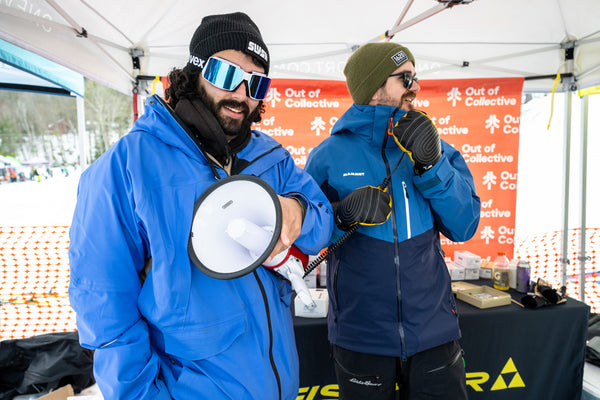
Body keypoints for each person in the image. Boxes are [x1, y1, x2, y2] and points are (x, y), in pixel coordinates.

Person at [68, 12, 333, 400]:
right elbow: (104, 308)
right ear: (193, 73)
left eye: (256, 83)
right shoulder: (127, 166)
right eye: (227, 75)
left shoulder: (269, 158)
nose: (242, 94)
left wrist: (294, 211)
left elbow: (322, 221)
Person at [305, 42, 481, 400]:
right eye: (405, 77)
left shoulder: (439, 149)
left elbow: (465, 225)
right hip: (361, 338)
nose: (415, 87)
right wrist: (343, 216)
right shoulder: (327, 156)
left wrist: (432, 167)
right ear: (373, 86)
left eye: (416, 77)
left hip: (434, 334)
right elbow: (306, 237)